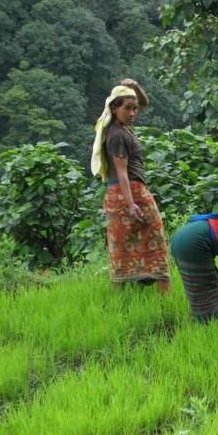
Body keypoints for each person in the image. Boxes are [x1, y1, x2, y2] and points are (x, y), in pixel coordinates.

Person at [91, 83, 170, 294]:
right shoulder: (117, 135)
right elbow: (122, 171)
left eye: (134, 108)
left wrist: (133, 86)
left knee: (123, 246)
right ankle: (165, 297)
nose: (133, 112)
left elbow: (143, 101)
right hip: (129, 193)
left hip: (122, 194)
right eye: (127, 108)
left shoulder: (123, 127)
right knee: (155, 242)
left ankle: (125, 296)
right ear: (114, 108)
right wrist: (132, 203)